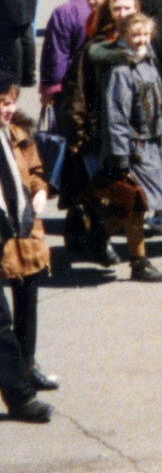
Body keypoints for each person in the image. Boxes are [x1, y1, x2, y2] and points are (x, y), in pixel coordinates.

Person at [88, 10, 162, 282]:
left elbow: (151, 92)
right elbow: (116, 113)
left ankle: (100, 233)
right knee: (137, 205)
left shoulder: (147, 59)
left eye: (145, 34)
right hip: (133, 147)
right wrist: (120, 154)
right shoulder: (121, 69)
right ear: (122, 36)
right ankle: (139, 262)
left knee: (136, 205)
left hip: (153, 143)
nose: (141, 39)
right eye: (135, 34)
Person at [0, 110, 49, 420]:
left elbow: (33, 172)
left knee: (9, 314)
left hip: (16, 228)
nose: (8, 107)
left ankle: (22, 384)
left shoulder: (13, 134)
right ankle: (20, 394)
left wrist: (40, 190)